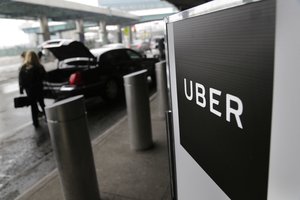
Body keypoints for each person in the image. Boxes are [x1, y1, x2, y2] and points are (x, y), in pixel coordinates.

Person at [19, 51, 46, 127]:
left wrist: (21, 88)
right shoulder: (39, 66)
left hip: (29, 90)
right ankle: (48, 118)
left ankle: (35, 123)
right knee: (42, 104)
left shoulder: (23, 67)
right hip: (38, 88)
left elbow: (21, 79)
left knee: (33, 105)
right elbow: (44, 76)